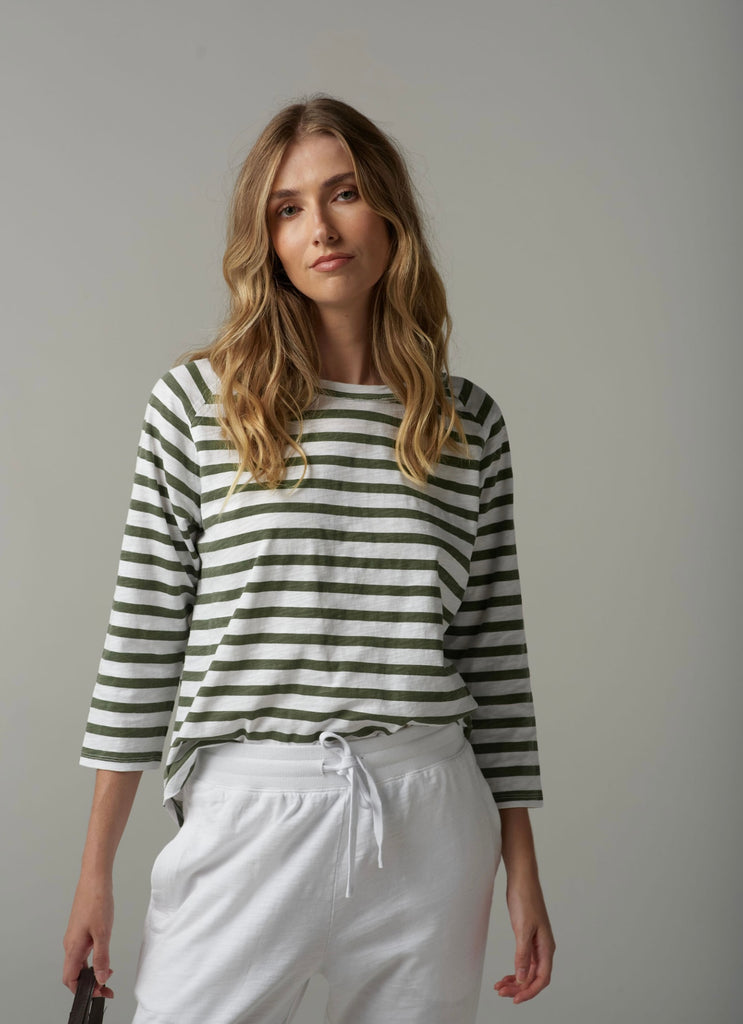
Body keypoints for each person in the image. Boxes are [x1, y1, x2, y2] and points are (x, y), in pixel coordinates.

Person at [63, 94, 555, 1023]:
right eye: (288, 209)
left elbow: (493, 661)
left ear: (390, 214)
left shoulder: (465, 424)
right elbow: (140, 644)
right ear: (268, 240)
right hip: (248, 812)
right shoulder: (199, 406)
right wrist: (96, 875)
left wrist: (520, 869)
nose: (320, 228)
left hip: (429, 817)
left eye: (344, 193)